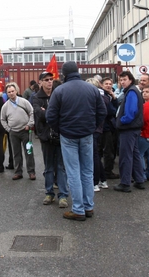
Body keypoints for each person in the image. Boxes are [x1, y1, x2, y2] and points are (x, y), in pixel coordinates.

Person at [46, 61, 106, 221]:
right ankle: (88, 206)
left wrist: (60, 129)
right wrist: (92, 127)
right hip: (87, 134)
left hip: (68, 136)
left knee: (73, 172)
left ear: (64, 74)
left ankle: (78, 209)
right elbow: (102, 111)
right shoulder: (92, 89)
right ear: (77, 71)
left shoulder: (59, 91)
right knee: (87, 171)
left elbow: (50, 116)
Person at [32, 71, 68, 208]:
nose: (49, 82)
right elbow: (38, 114)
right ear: (40, 82)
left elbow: (62, 113)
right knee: (48, 167)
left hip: (59, 134)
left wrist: (46, 111)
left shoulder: (58, 94)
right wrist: (50, 113)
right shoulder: (36, 97)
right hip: (45, 136)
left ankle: (63, 195)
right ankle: (49, 193)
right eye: (46, 79)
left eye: (51, 79)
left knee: (61, 166)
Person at [114, 71, 146, 192]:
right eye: (121, 80)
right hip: (134, 128)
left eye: (124, 79)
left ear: (130, 80)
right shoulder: (132, 91)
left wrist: (121, 121)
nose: (122, 82)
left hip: (128, 128)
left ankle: (125, 183)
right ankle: (139, 179)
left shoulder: (131, 92)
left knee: (125, 156)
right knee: (135, 154)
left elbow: (130, 112)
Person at [0, 82, 36, 180]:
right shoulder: (5, 106)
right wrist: (8, 129)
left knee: (29, 152)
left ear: (16, 91)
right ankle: (18, 172)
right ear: (6, 94)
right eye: (9, 92)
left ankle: (31, 172)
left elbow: (32, 112)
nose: (11, 93)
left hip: (25, 131)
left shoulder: (24, 102)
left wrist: (30, 124)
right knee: (16, 153)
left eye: (12, 91)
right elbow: (2, 119)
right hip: (13, 133)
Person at [85, 78, 107, 193]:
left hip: (94, 129)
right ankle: (103, 180)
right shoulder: (101, 96)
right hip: (98, 129)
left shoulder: (95, 98)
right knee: (96, 155)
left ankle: (95, 182)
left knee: (93, 156)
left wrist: (94, 126)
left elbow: (102, 113)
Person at [100, 76, 120, 178]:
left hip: (109, 125)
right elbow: (111, 111)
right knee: (108, 150)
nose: (108, 86)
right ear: (101, 85)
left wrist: (114, 97)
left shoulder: (109, 95)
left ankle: (106, 170)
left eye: (110, 84)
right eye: (106, 84)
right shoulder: (103, 96)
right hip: (105, 126)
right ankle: (107, 171)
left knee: (109, 149)